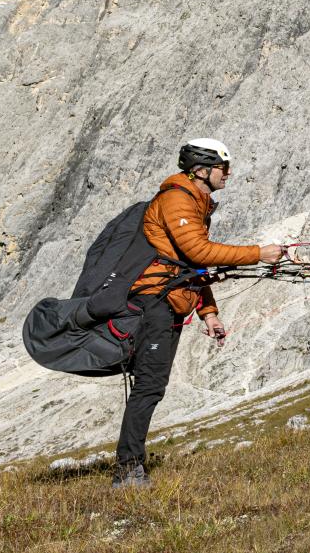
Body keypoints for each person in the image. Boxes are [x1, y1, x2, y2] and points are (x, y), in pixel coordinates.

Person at [111, 139, 285, 488]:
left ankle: (130, 465)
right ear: (202, 170)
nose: (229, 174)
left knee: (151, 386)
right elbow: (198, 252)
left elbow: (189, 265)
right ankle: (128, 470)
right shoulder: (177, 198)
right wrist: (259, 253)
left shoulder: (195, 202)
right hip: (154, 303)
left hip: (169, 301)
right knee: (149, 386)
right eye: (224, 168)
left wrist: (209, 313)